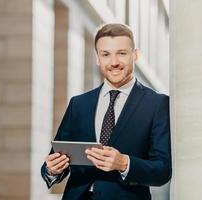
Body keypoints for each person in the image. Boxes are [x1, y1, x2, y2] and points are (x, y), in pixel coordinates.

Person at [41, 23, 171, 200]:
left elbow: (162, 170)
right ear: (97, 58)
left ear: (135, 55)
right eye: (106, 54)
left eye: (122, 53)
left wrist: (123, 163)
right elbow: (55, 158)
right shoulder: (78, 104)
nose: (114, 62)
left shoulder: (157, 103)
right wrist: (52, 169)